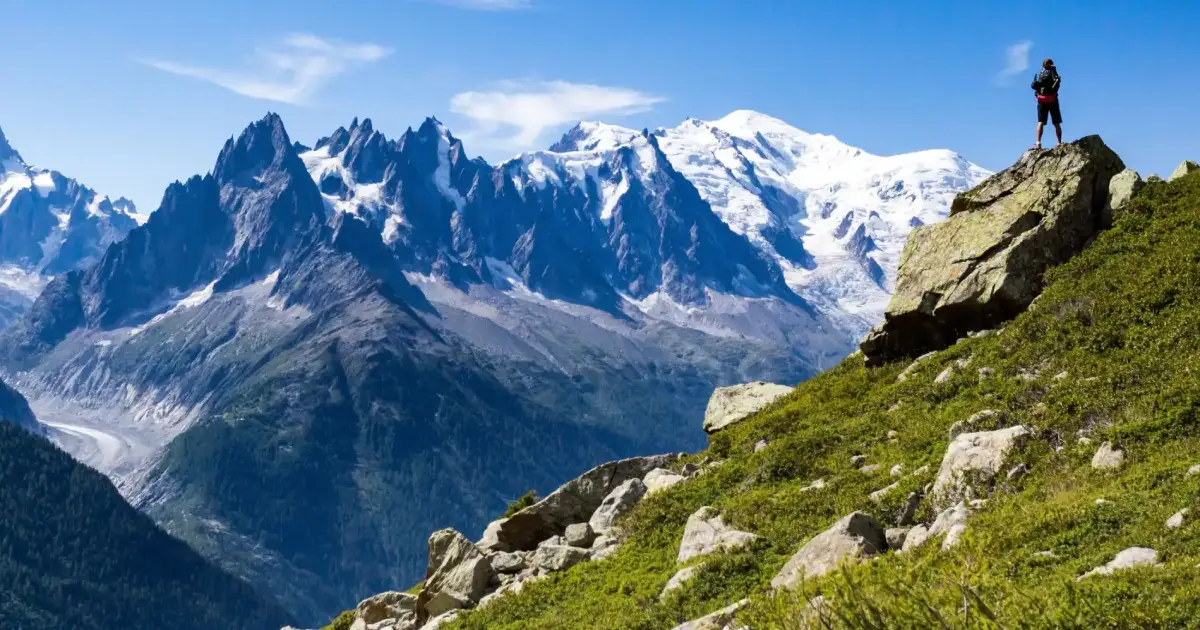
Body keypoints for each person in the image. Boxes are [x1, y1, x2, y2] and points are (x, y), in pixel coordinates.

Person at [1031, 58, 1062, 149]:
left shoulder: (1038, 74)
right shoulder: (1053, 73)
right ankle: (1059, 143)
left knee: (1040, 122)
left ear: (1043, 65)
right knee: (1056, 123)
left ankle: (1038, 143)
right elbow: (1058, 83)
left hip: (1042, 100)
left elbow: (1034, 85)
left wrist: (1038, 94)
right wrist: (1054, 70)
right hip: (1053, 100)